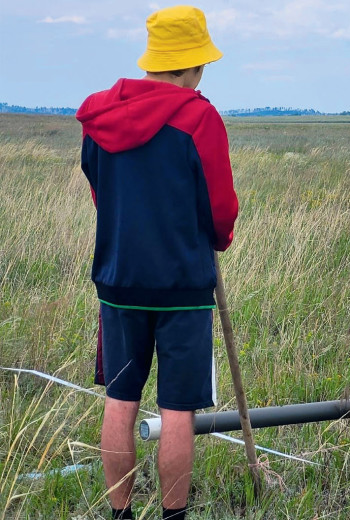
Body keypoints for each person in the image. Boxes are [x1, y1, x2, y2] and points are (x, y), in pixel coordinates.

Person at [76, 6, 238, 519]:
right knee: (177, 410)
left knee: (121, 398)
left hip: (118, 278)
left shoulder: (96, 115)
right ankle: (173, 516)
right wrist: (220, 237)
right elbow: (219, 208)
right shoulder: (199, 116)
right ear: (191, 65)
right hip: (182, 284)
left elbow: (99, 186)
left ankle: (120, 514)